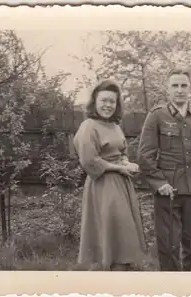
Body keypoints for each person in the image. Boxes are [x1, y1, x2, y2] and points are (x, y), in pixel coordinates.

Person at [137, 67, 191, 271]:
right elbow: (144, 155)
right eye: (175, 85)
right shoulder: (156, 116)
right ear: (168, 89)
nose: (180, 90)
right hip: (168, 192)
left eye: (184, 85)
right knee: (168, 246)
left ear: (190, 88)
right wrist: (159, 183)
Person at [72, 79, 146, 271]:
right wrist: (118, 168)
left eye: (112, 101)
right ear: (95, 101)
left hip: (121, 185)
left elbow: (121, 152)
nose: (108, 105)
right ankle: (110, 273)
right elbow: (89, 160)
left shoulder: (115, 126)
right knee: (111, 228)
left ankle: (121, 271)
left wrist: (127, 163)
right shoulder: (89, 126)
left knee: (122, 230)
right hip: (103, 185)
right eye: (104, 100)